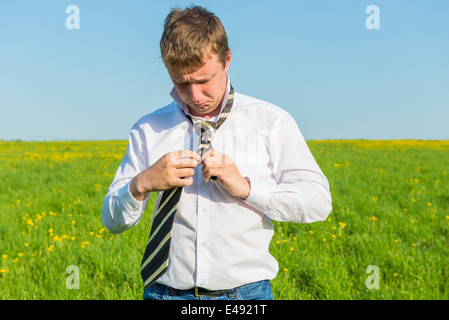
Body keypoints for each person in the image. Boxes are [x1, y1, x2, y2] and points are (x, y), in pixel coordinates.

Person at [102, 5, 332, 300]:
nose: (194, 96)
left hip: (247, 295)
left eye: (203, 80)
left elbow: (319, 201)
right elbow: (113, 221)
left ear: (227, 60)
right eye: (181, 83)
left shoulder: (271, 121)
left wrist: (247, 188)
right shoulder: (149, 129)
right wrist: (140, 184)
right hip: (164, 293)